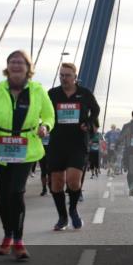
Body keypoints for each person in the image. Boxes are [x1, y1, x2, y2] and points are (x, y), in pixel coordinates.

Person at [0, 50, 55, 258]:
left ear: (28, 68)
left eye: (20, 62)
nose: (16, 65)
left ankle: (19, 241)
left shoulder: (38, 91)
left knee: (16, 192)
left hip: (26, 147)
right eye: (12, 62)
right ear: (7, 67)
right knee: (3, 198)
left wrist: (45, 127)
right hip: (1, 146)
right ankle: (7, 234)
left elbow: (49, 115)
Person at [46, 62, 100, 230]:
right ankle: (62, 217)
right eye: (61, 75)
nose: (64, 78)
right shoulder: (52, 94)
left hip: (77, 142)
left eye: (67, 75)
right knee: (56, 182)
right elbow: (44, 112)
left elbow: (96, 110)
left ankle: (73, 210)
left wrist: (89, 123)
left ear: (75, 77)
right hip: (57, 142)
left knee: (73, 181)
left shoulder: (84, 93)